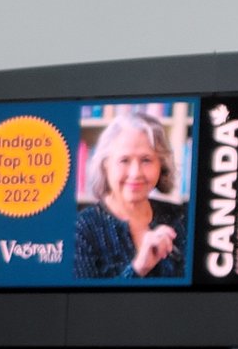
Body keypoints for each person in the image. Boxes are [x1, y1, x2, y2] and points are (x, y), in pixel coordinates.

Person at [73, 111, 187, 279]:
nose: (135, 173)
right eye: (124, 160)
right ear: (106, 165)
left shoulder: (182, 217)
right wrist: (139, 268)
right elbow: (88, 303)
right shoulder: (81, 229)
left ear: (160, 165)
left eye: (146, 160)